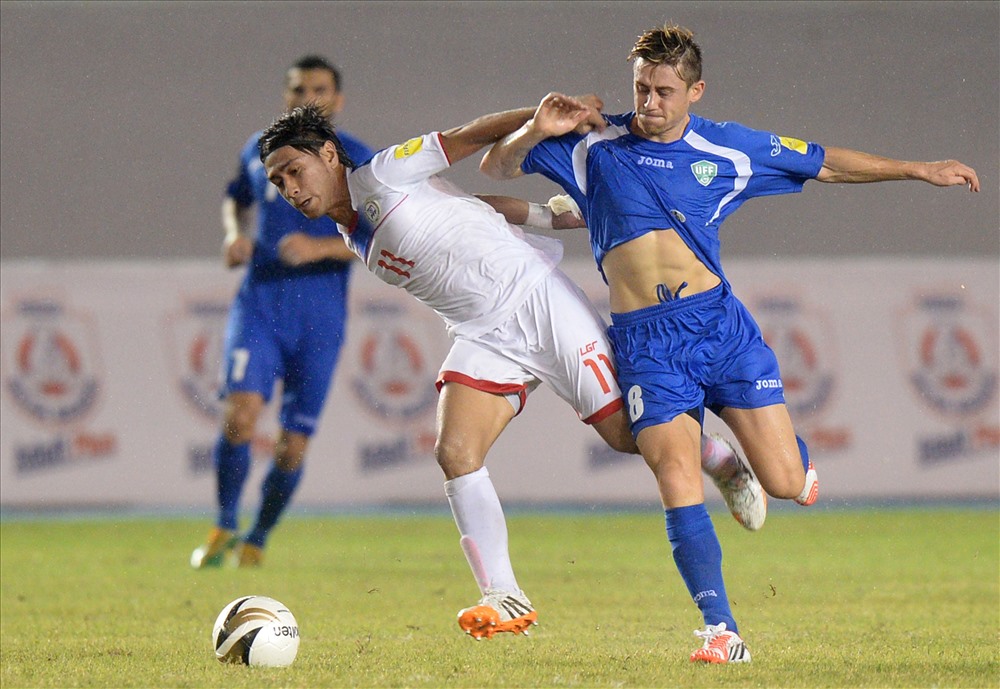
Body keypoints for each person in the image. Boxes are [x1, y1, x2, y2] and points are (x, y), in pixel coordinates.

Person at [480, 23, 979, 663]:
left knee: (785, 482)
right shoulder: (593, 144)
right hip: (646, 345)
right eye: (641, 88)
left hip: (720, 329)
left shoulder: (731, 148)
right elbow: (498, 164)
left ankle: (781, 465)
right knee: (673, 471)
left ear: (695, 91)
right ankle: (722, 631)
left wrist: (917, 169)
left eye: (663, 91)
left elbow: (824, 162)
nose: (650, 103)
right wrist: (536, 127)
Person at [257, 100, 766, 639]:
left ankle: (720, 459)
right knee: (454, 452)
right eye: (277, 180)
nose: (289, 187)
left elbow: (463, 134)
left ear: (330, 155)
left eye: (295, 170)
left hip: (537, 304)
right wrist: (547, 216)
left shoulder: (382, 174)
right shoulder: (349, 233)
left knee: (630, 438)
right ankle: (504, 595)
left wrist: (540, 121)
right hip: (483, 333)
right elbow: (468, 207)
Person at [190, 56, 375, 569]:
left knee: (292, 446)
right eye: (298, 88)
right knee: (240, 417)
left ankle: (257, 539)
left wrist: (322, 251)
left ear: (337, 101)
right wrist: (234, 234)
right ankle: (224, 524)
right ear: (285, 95)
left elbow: (385, 236)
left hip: (320, 317)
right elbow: (236, 198)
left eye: (319, 89)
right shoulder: (260, 148)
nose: (307, 98)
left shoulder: (358, 159)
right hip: (262, 304)